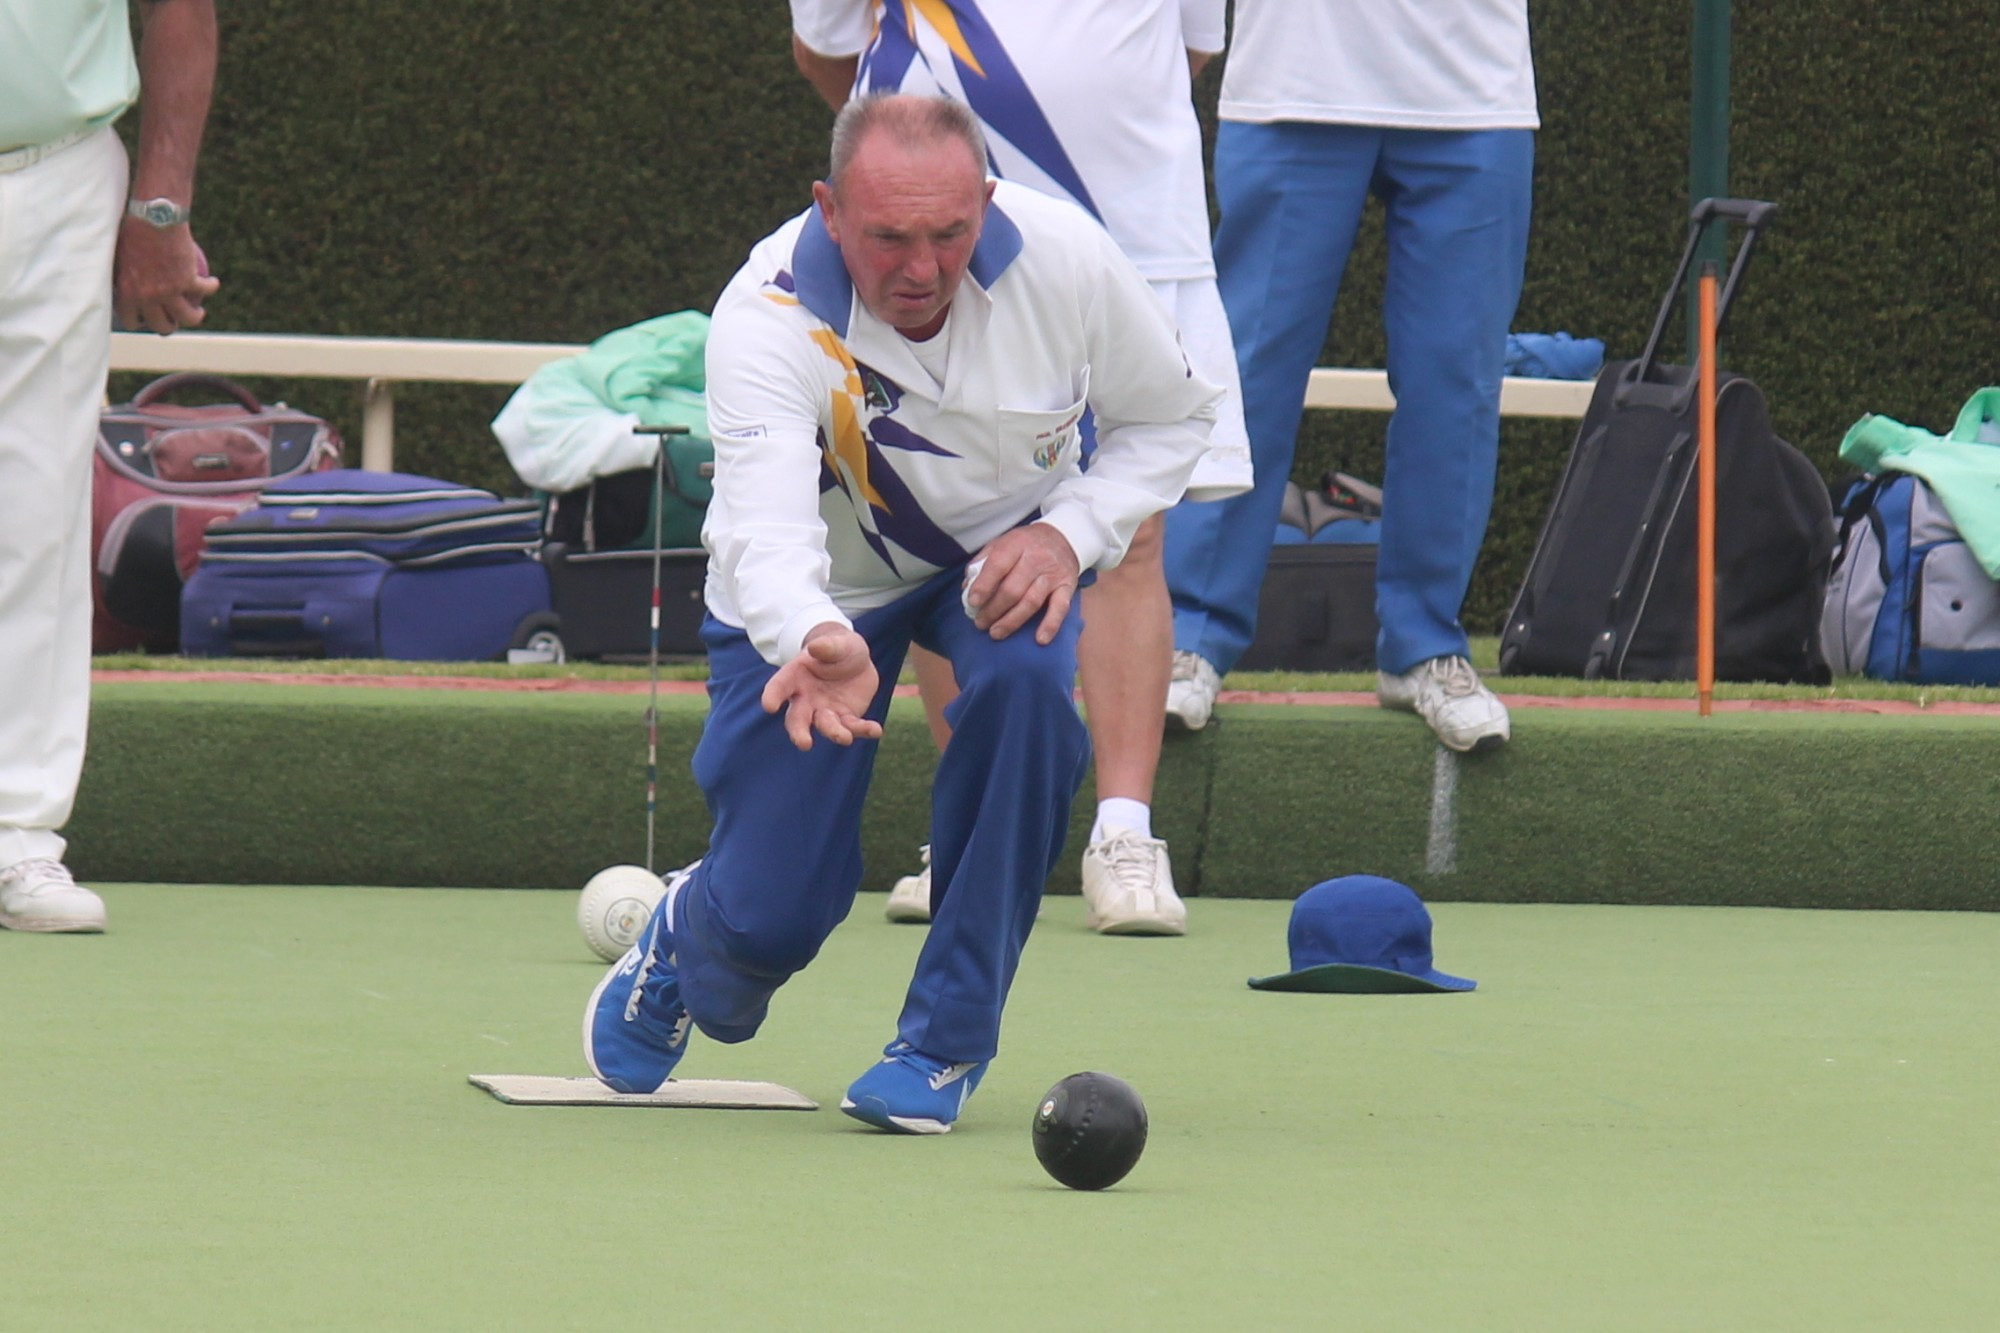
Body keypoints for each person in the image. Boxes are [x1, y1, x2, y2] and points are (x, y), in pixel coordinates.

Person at [583, 94, 1217, 1133]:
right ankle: (692, 928)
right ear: (830, 211)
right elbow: (765, 533)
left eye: (948, 233)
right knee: (765, 930)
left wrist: (1067, 534)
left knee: (1026, 692)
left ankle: (944, 1043)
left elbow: (1168, 420)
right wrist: (813, 636)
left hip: (995, 570)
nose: (921, 268)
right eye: (888, 237)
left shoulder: (1067, 260)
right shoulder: (768, 315)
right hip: (815, 604)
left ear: (987, 201)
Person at [789, 0, 1252, 935]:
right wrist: (934, 165)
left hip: (1130, 228)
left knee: (1132, 527)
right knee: (937, 519)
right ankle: (969, 828)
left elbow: (1198, 43)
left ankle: (1124, 833)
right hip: (942, 227)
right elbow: (827, 50)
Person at [1161, 0, 1536, 753]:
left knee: (1455, 384)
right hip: (1291, 83)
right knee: (1246, 374)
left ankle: (1425, 644)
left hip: (1473, 89)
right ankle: (1188, 638)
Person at [0, 0, 220, 933]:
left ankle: (16, 835)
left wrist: (160, 206)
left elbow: (182, 7)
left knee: (35, 509)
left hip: (56, 177)